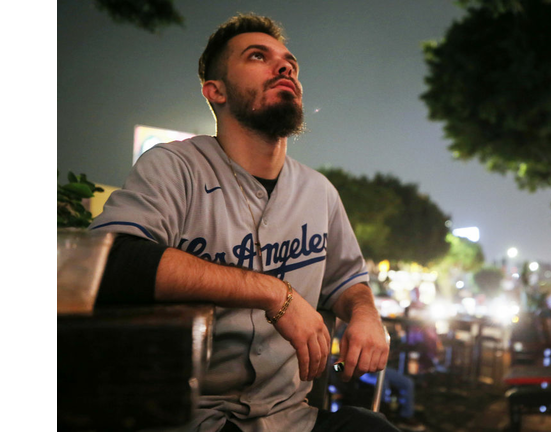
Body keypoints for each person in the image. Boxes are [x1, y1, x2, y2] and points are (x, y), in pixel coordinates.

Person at [89, 13, 397, 432]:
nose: (285, 66)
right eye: (258, 56)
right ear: (215, 91)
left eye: (290, 62)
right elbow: (113, 260)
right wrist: (275, 293)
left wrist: (365, 315)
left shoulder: (318, 191)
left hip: (291, 418)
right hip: (186, 418)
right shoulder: (174, 166)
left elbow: (347, 283)